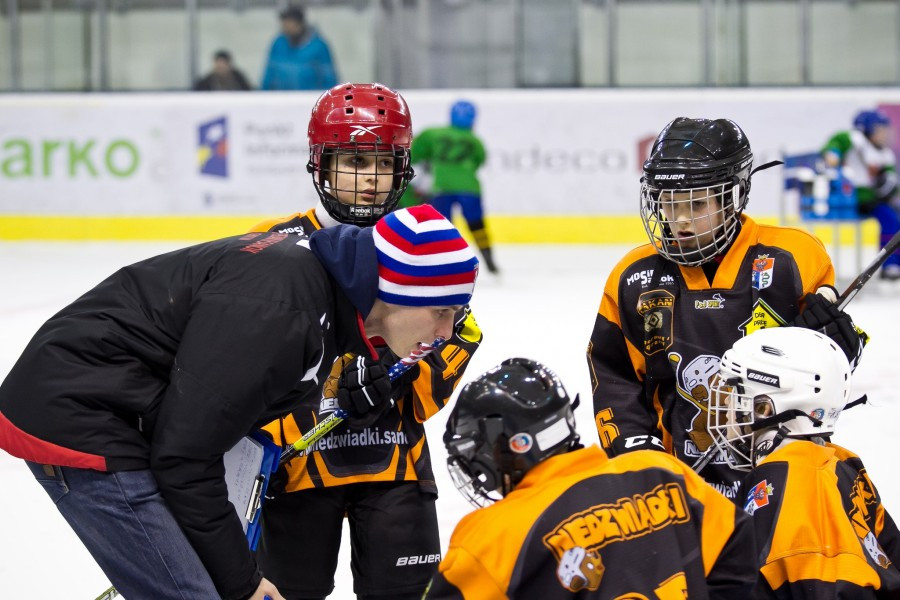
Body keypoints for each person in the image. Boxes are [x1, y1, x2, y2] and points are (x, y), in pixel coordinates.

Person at [0, 204, 478, 600]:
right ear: (395, 291)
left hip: (128, 407)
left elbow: (214, 425)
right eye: (441, 311)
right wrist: (244, 584)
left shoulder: (323, 290)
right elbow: (186, 457)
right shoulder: (284, 309)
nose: (444, 333)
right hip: (79, 409)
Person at [250, 83, 483, 600]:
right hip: (296, 467)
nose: (369, 179)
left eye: (383, 162)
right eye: (353, 160)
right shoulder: (277, 243)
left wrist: (402, 378)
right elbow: (246, 354)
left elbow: (458, 329)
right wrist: (327, 393)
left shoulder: (423, 236)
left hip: (395, 461)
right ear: (321, 163)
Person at [586, 117, 867, 501]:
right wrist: (639, 457)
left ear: (733, 196)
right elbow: (614, 376)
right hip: (680, 483)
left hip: (783, 476)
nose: (679, 219)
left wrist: (835, 348)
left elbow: (826, 383)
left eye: (696, 204)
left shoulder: (794, 258)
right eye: (668, 203)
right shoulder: (634, 277)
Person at [425, 357, 758, 599]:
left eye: (474, 448)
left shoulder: (493, 533)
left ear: (516, 445)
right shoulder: (661, 472)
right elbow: (738, 540)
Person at [707, 326, 900, 597]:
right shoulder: (842, 464)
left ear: (764, 408)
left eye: (735, 398)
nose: (726, 413)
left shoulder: (786, 490)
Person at [409, 100, 499, 274]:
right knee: (477, 224)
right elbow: (479, 161)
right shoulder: (475, 141)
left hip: (441, 186)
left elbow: (415, 154)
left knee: (444, 226)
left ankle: (444, 261)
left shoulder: (432, 134)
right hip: (470, 187)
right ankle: (488, 257)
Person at [822, 109, 900, 280]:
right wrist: (832, 155)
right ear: (867, 129)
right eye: (879, 130)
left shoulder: (884, 153)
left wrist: (889, 183)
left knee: (895, 216)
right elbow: (835, 145)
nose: (883, 134)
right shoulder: (853, 140)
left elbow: (889, 175)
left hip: (871, 200)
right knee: (890, 219)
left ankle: (895, 263)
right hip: (851, 198)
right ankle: (891, 265)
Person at [261, 6, 338, 91]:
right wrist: (263, 95)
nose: (285, 27)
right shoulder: (278, 43)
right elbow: (269, 73)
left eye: (288, 23)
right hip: (280, 99)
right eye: (283, 23)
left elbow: (329, 77)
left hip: (310, 99)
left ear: (299, 23)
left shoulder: (319, 46)